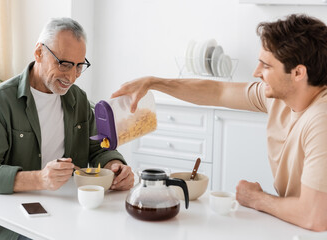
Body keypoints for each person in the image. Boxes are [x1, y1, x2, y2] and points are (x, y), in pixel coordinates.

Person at [111, 14, 327, 231]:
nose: (256, 72)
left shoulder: (321, 120)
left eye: (266, 66)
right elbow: (219, 91)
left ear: (298, 72)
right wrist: (154, 83)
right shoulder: (280, 98)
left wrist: (256, 199)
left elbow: (313, 217)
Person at [0, 18, 134, 240]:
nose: (72, 76)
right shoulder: (1, 102)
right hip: (8, 222)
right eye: (64, 64)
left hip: (65, 212)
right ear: (39, 53)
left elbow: (98, 149)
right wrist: (40, 179)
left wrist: (115, 166)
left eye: (79, 66)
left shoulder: (78, 99)